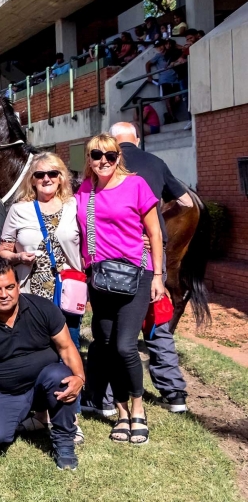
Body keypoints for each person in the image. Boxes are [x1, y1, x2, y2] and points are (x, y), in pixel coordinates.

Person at [76, 134, 164, 445]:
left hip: (135, 275)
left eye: (110, 155)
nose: (103, 161)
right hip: (100, 279)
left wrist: (158, 275)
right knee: (107, 343)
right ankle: (121, 410)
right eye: (96, 155)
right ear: (88, 158)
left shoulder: (136, 185)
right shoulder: (84, 190)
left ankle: (138, 409)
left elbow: (154, 233)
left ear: (118, 157)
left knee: (126, 346)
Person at [0, 259, 85, 470]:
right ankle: (23, 418)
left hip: (45, 383)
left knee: (62, 377)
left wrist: (80, 378)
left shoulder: (42, 308)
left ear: (18, 286)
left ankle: (64, 442)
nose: (4, 294)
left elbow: (66, 348)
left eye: (10, 287)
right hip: (5, 391)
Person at [0, 152, 85, 442]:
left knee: (68, 347)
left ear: (62, 177)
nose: (46, 179)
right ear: (31, 180)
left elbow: (93, 238)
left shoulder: (75, 206)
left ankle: (71, 416)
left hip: (67, 291)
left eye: (53, 174)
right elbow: (3, 249)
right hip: (31, 292)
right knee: (38, 352)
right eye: (39, 175)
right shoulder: (20, 209)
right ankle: (40, 414)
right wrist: (19, 256)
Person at [108, 122, 192, 413]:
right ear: (138, 139)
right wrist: (158, 216)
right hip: (152, 253)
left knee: (117, 324)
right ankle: (174, 394)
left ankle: (110, 395)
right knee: (156, 319)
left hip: (116, 254)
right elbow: (186, 201)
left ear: (112, 141)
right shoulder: (156, 162)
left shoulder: (106, 162)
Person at [146, 39, 181, 124]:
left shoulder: (171, 53)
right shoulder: (158, 56)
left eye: (161, 45)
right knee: (168, 99)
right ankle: (172, 118)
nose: (160, 48)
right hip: (165, 81)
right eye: (157, 47)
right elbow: (148, 64)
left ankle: (168, 115)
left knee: (177, 99)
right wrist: (149, 76)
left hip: (175, 79)